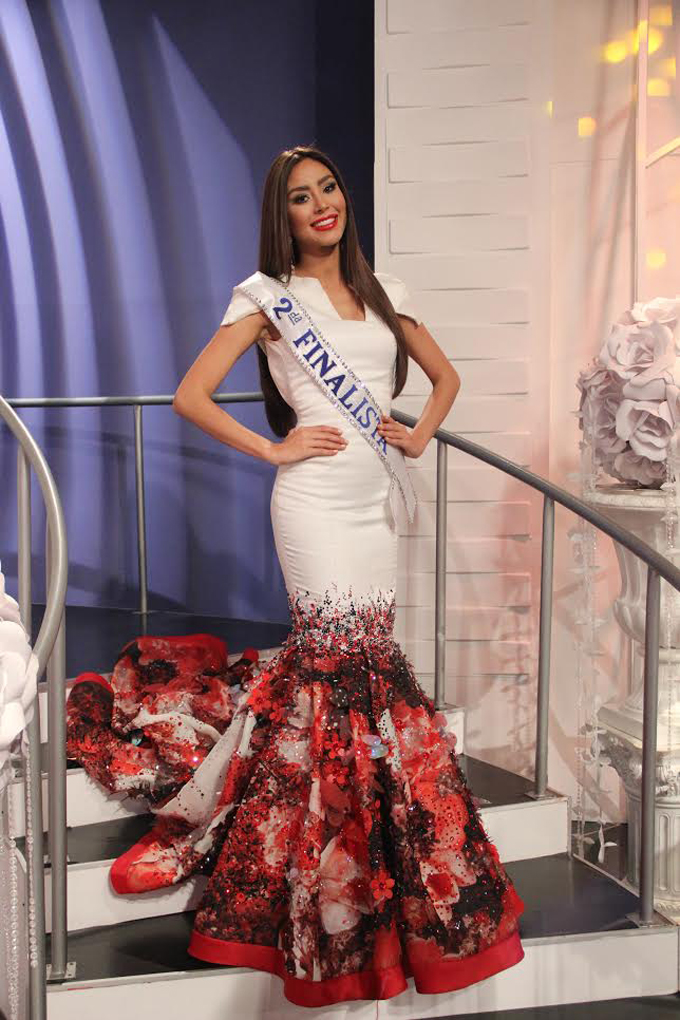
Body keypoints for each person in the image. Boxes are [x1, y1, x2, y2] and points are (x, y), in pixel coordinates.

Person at [109, 145, 525, 1007]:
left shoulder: (384, 291)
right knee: (333, 671)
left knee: (368, 673)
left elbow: (446, 378)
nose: (321, 204)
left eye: (328, 188)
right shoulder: (267, 298)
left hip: (376, 501)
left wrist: (418, 434)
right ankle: (316, 867)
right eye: (301, 197)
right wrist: (272, 449)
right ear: (284, 215)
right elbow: (191, 394)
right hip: (313, 502)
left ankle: (377, 852)